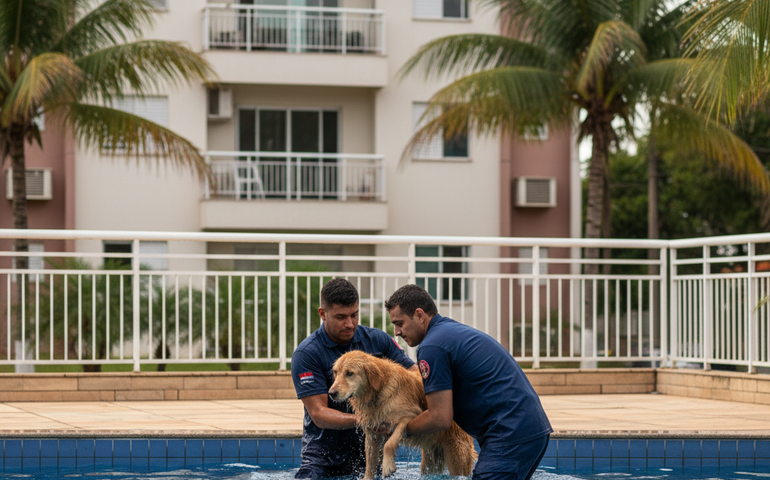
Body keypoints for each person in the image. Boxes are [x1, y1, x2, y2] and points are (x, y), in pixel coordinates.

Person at [385, 284, 552, 480]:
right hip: (531, 429)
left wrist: (400, 430)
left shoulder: (432, 347)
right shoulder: (449, 332)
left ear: (420, 315)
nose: (396, 332)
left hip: (509, 433)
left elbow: (440, 417)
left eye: (400, 323)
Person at [291, 278, 417, 480]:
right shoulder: (307, 354)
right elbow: (318, 413)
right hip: (322, 459)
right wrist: (367, 421)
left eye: (354, 315)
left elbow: (414, 374)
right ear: (322, 314)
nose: (350, 324)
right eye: (341, 317)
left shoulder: (378, 340)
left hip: (369, 456)